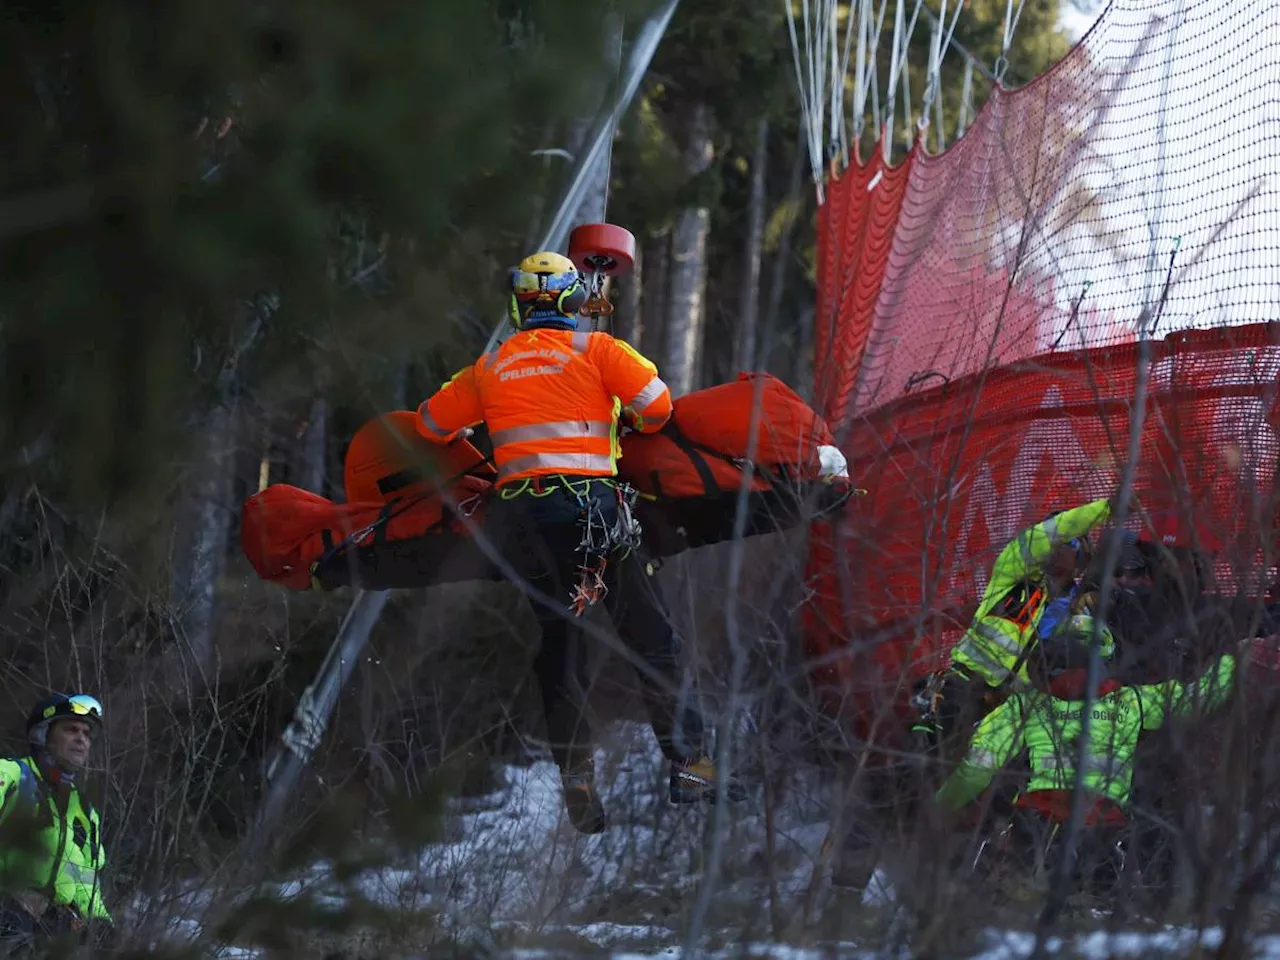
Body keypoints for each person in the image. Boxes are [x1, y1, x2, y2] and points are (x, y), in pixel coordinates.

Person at [417, 250, 742, 834]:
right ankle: (691, 765)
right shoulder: (597, 351)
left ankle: (576, 777)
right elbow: (658, 407)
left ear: (518, 305)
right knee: (652, 639)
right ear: (571, 303)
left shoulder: (488, 368)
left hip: (524, 528)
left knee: (562, 648)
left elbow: (430, 424)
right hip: (594, 516)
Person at [933, 615, 1237, 900]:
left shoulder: (1026, 705)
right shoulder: (1133, 702)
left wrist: (935, 809)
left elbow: (976, 771)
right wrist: (1235, 660)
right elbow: (1198, 699)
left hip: (1034, 830)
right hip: (1103, 834)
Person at [912, 498, 1114, 754]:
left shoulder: (1080, 605)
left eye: (1066, 542)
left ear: (1081, 558)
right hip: (964, 684)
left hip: (1011, 709)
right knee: (924, 754)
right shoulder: (1012, 572)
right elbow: (1042, 537)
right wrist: (1107, 509)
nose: (1052, 546)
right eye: (1049, 537)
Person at [0, 694, 112, 952]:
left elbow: (85, 879)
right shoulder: (12, 776)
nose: (81, 739)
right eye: (71, 729)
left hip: (47, 931)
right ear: (43, 735)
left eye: (87, 734)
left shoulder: (83, 811)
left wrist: (101, 922)